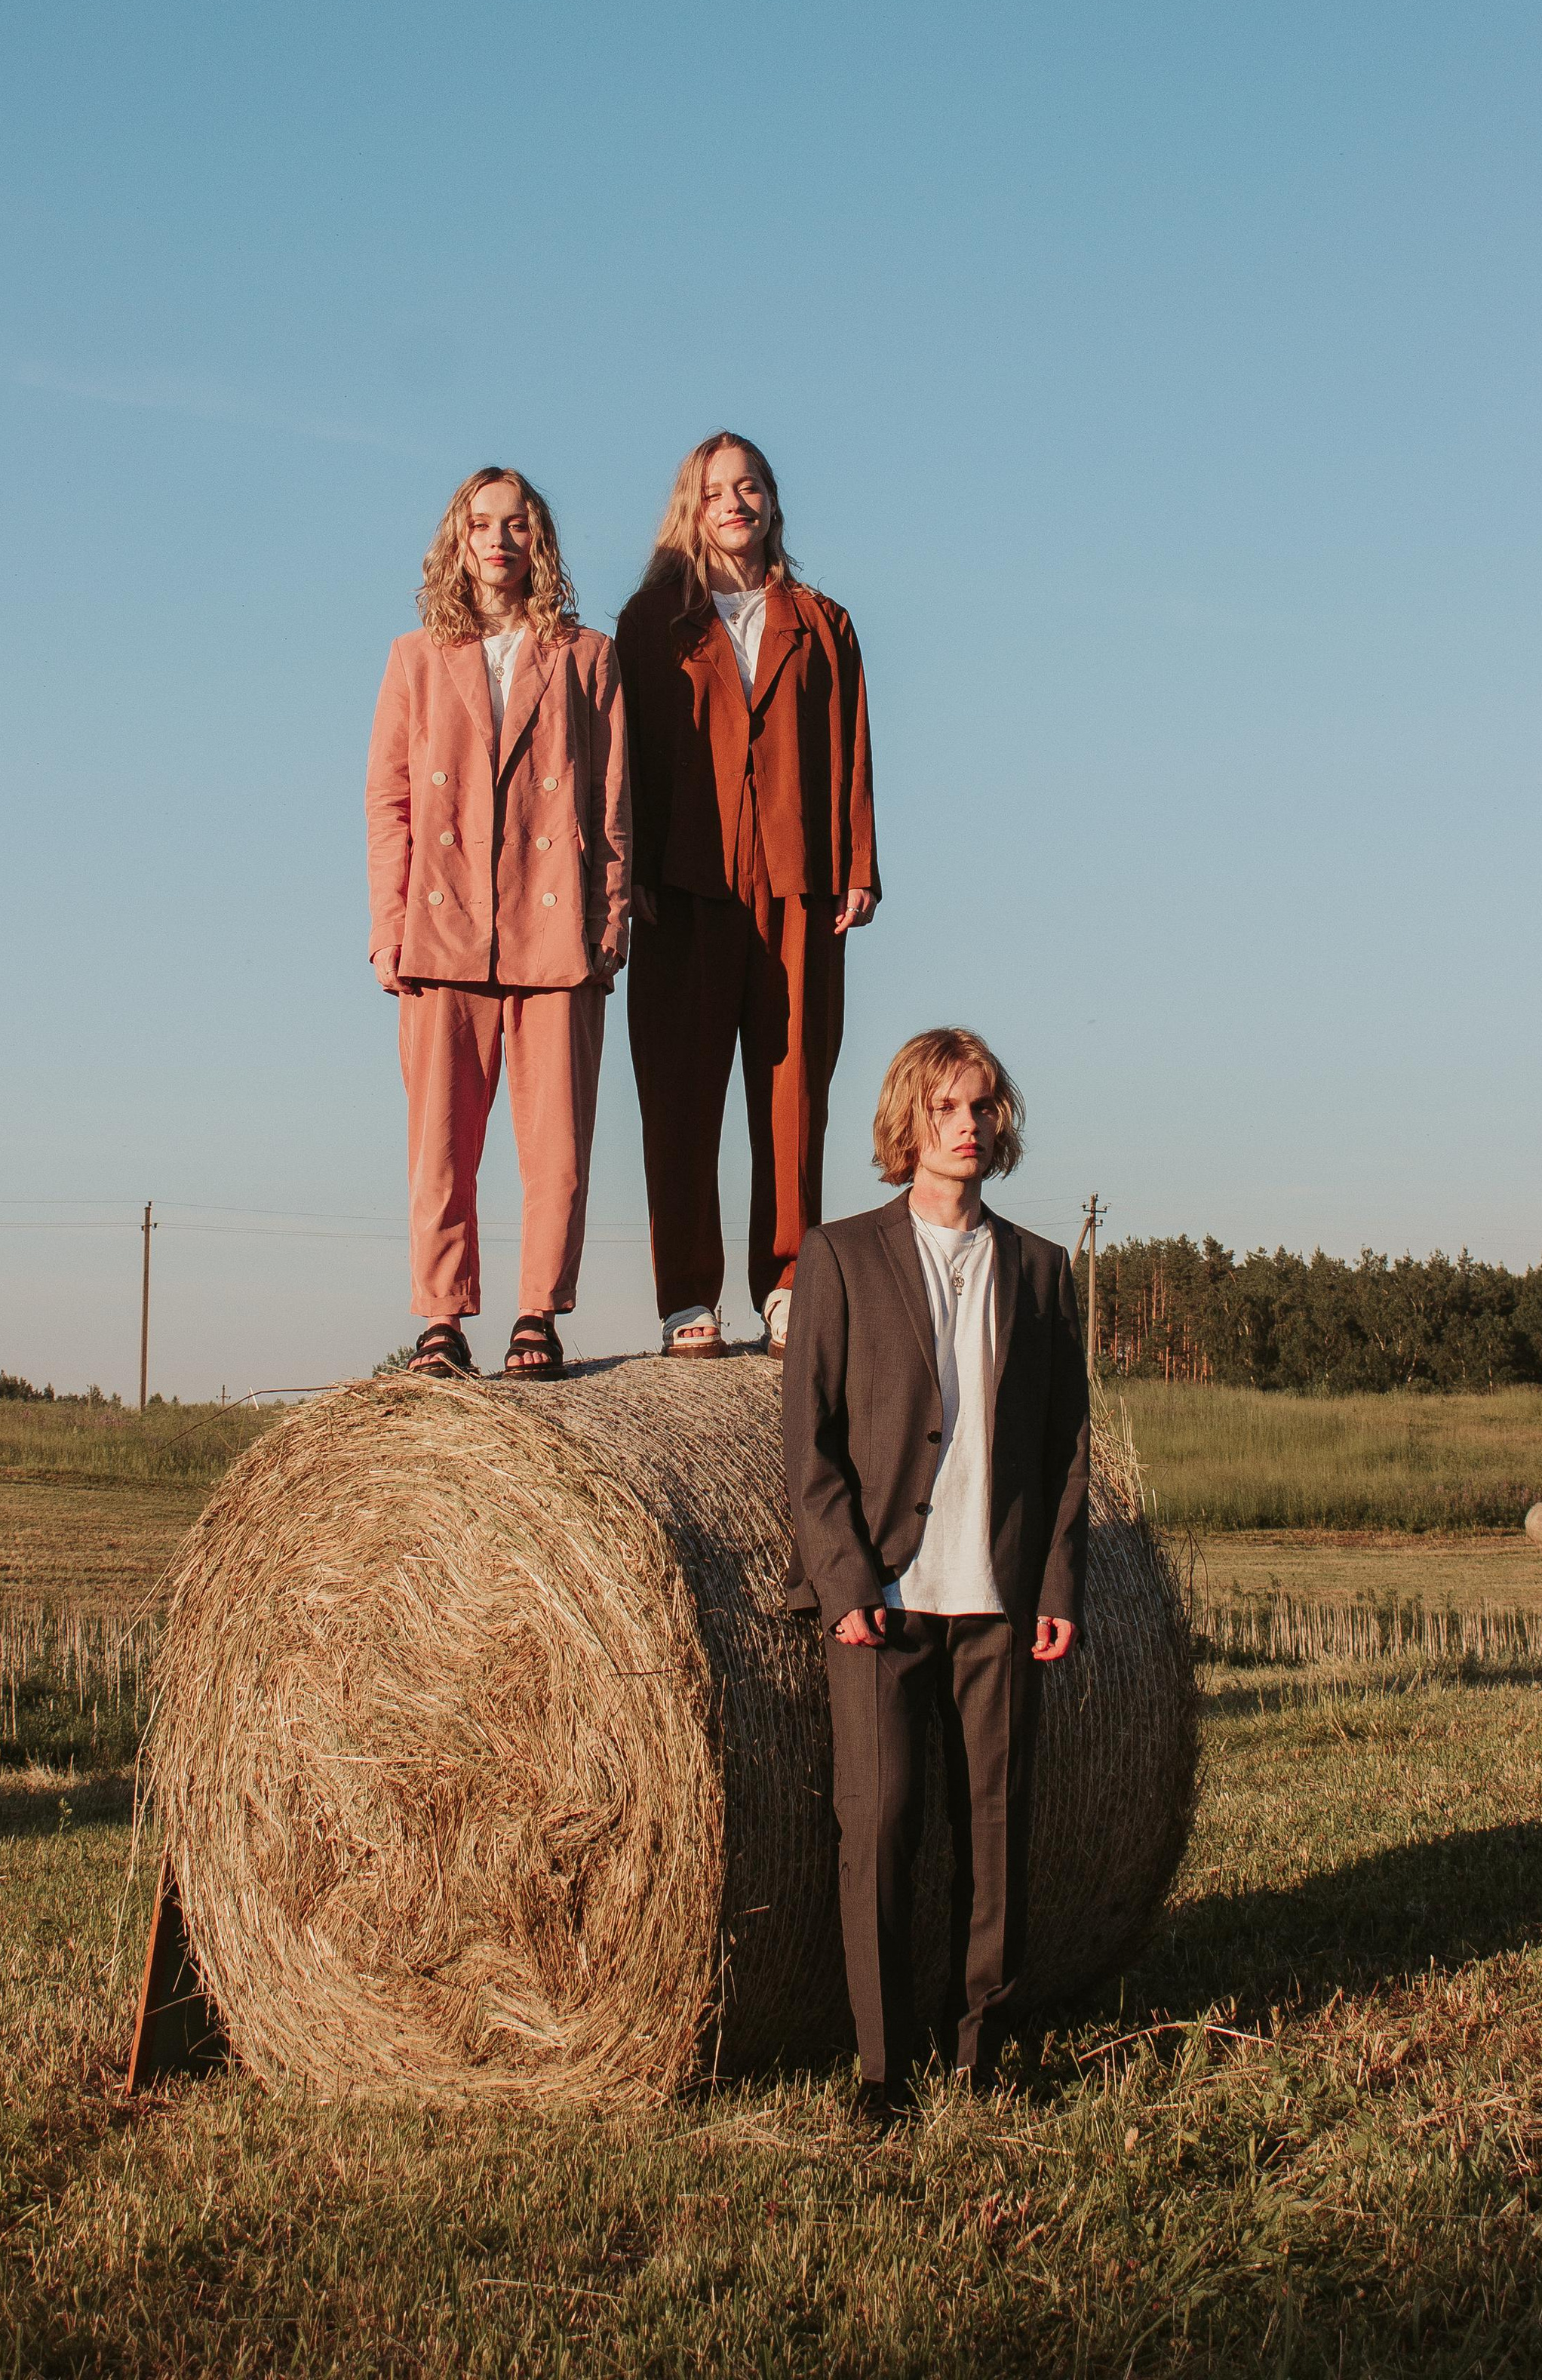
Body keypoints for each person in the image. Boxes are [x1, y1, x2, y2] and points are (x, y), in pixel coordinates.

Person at [781, 1027, 1090, 2117]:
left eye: (985, 1107)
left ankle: (983, 2049)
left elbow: (1065, 1450)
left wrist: (1057, 1588)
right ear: (909, 1121)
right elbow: (809, 1442)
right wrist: (844, 1581)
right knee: (882, 1822)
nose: (970, 1124)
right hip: (886, 1602)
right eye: (950, 1106)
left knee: (995, 1827)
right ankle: (881, 2066)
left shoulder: (1045, 1272)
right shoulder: (841, 1257)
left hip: (999, 1601)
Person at [616, 432, 878, 1360]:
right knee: (680, 1101)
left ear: (772, 502)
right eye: (716, 490)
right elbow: (628, 755)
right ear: (692, 508)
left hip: (799, 887)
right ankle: (688, 1298)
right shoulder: (651, 623)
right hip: (680, 890)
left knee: (793, 1095)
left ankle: (788, 1286)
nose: (735, 502)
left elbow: (850, 748)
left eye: (751, 485)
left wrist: (858, 865)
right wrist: (629, 871)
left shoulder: (825, 622)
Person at [365, 468, 630, 1379]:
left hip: (556, 929)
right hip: (441, 930)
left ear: (539, 540)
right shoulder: (413, 658)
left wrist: (611, 921)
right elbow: (389, 802)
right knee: (440, 1140)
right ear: (459, 538)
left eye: (518, 525)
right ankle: (440, 1319)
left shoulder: (586, 656)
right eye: (482, 524)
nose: (500, 539)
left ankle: (536, 1316)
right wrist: (387, 926)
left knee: (555, 1144)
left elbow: (611, 800)